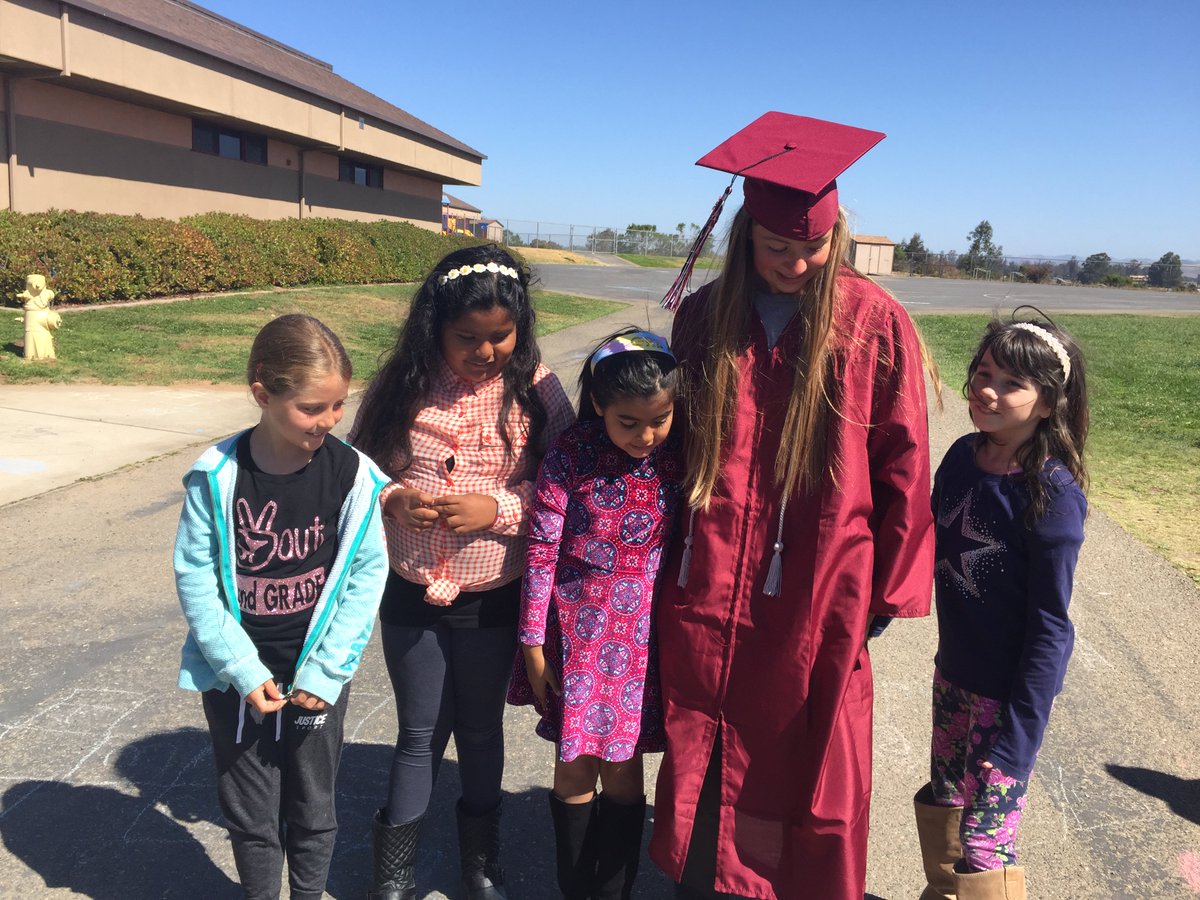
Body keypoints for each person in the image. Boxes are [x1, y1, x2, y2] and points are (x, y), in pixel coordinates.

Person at [649, 112, 936, 899]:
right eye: (778, 246)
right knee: (704, 722)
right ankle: (703, 877)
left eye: (813, 246)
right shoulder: (706, 315)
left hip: (819, 578)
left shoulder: (873, 321)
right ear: (746, 234)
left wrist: (888, 587)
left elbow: (904, 457)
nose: (797, 261)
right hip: (707, 566)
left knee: (806, 745)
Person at [349, 244, 574, 900]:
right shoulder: (403, 384)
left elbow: (566, 488)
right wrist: (394, 497)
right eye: (466, 338)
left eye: (501, 336)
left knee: (479, 728)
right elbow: (359, 470)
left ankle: (480, 862)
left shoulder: (536, 389)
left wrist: (499, 507)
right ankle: (392, 875)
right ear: (433, 331)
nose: (485, 351)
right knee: (418, 731)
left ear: (522, 328)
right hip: (412, 590)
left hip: (492, 594)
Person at [173, 313, 390, 900]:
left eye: (339, 405)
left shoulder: (355, 477)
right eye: (312, 408)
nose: (328, 421)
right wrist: (241, 671)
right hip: (236, 678)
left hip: (317, 674)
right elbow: (197, 576)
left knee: (314, 806)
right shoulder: (216, 477)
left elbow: (367, 574)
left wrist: (328, 670)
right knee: (249, 810)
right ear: (263, 394)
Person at [914, 314, 1088, 900]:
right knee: (944, 805)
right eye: (983, 374)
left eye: (1012, 383)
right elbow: (920, 546)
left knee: (986, 846)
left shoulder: (1052, 494)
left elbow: (1050, 630)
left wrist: (1018, 742)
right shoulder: (963, 456)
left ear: (1047, 404)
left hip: (1007, 700)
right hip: (953, 680)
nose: (988, 391)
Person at [508, 329, 682, 900]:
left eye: (659, 419)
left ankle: (614, 891)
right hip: (577, 637)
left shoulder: (678, 460)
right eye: (627, 422)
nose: (645, 435)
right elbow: (542, 549)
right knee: (577, 762)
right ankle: (575, 889)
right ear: (600, 407)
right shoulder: (572, 452)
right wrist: (533, 645)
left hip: (641, 640)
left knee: (626, 768)